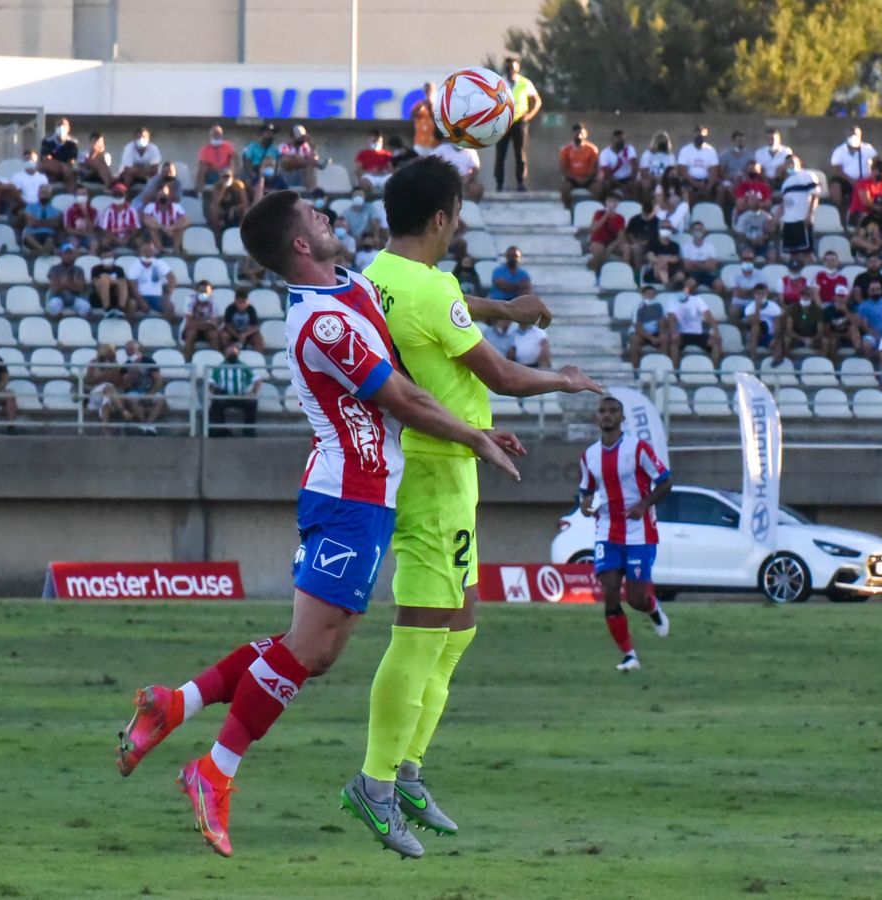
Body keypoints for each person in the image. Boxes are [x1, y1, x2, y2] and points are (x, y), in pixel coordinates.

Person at [112, 187, 522, 860]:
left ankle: (173, 704)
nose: (331, 220)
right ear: (301, 244)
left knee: (314, 649)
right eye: (317, 218)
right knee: (308, 650)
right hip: (348, 496)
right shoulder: (321, 325)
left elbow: (421, 324)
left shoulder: (350, 285)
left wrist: (494, 311)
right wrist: (476, 436)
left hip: (367, 497)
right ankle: (212, 771)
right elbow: (402, 398)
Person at [350, 156, 601, 857]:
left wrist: (505, 310)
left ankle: (406, 771)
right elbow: (505, 375)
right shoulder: (431, 290)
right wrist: (565, 379)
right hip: (435, 470)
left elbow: (447, 316)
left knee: (458, 628)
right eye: (457, 213)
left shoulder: (379, 277)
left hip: (446, 462)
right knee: (423, 631)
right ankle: (374, 784)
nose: (458, 223)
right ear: (442, 219)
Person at [578, 396, 671, 672]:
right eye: (602, 411)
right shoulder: (589, 456)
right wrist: (584, 503)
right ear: (597, 418)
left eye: (613, 411)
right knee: (609, 592)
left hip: (639, 531)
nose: (607, 415)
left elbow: (666, 481)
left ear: (622, 418)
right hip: (606, 530)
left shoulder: (638, 448)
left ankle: (652, 607)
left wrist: (643, 505)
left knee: (636, 599)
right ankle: (629, 655)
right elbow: (586, 489)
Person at [494, 56, 541, 193]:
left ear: (518, 68)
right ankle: (499, 184)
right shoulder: (499, 83)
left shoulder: (525, 83)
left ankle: (521, 183)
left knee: (520, 154)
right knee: (500, 154)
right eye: (508, 68)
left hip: (519, 121)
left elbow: (537, 101)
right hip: (503, 121)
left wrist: (529, 115)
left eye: (513, 68)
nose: (510, 70)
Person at [207, 342, 260, 437]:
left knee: (252, 403)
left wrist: (253, 392)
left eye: (234, 350)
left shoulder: (244, 366)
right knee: (216, 403)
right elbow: (211, 383)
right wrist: (213, 392)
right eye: (230, 350)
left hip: (240, 396)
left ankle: (249, 431)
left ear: (238, 353)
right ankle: (219, 431)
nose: (232, 352)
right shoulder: (219, 367)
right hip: (224, 396)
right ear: (225, 353)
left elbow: (257, 380)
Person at [558, 123, 600, 209]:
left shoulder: (592, 149)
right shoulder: (565, 149)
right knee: (564, 189)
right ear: (572, 134)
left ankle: (593, 209)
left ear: (586, 134)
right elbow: (563, 169)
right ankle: (568, 209)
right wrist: (575, 179)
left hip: (588, 180)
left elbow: (595, 168)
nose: (579, 136)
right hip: (572, 180)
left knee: (598, 189)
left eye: (581, 133)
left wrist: (587, 179)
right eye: (577, 134)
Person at [181, 280, 222, 356]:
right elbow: (189, 322)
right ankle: (188, 361)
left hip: (206, 329)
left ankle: (216, 360)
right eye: (201, 291)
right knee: (191, 334)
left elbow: (214, 323)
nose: (203, 293)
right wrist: (206, 323)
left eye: (206, 291)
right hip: (194, 328)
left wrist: (200, 324)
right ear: (196, 291)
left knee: (214, 335)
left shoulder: (213, 301)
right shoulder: (190, 299)